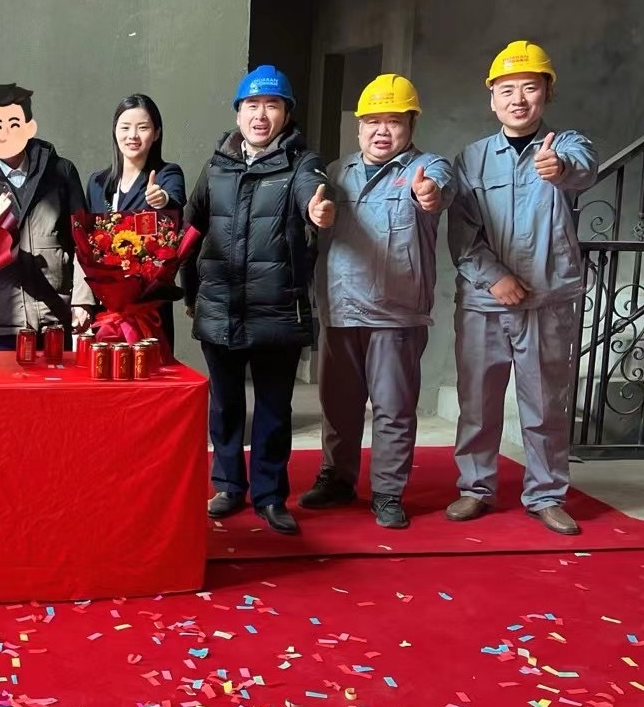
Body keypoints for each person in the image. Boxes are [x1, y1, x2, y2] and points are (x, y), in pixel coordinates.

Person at [446, 41, 597, 536]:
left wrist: (560, 169)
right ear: (492, 98)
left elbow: (582, 167)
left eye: (530, 88)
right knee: (478, 402)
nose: (518, 99)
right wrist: (496, 277)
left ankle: (547, 494)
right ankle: (475, 488)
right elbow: (462, 233)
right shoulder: (471, 159)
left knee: (545, 404)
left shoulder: (565, 145)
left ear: (547, 93)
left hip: (546, 300)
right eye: (507, 89)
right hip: (484, 301)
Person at [183, 65, 334, 535]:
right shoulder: (217, 166)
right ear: (239, 113)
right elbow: (191, 229)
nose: (261, 115)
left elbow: (313, 194)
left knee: (272, 409)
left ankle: (269, 495)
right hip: (219, 304)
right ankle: (229, 485)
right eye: (252, 105)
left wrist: (317, 209)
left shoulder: (302, 164)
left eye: (272, 105)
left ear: (287, 114)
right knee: (224, 405)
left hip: (277, 308)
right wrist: (190, 291)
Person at [299, 74, 454, 529]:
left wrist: (429, 195)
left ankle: (387, 492)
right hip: (340, 307)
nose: (382, 131)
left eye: (394, 121)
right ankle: (337, 478)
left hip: (396, 313)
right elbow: (314, 218)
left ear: (411, 126)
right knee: (338, 404)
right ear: (359, 126)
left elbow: (439, 191)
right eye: (372, 121)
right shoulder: (336, 172)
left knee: (393, 408)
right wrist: (314, 214)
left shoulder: (429, 167)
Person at [0, 83, 94, 351]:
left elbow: (83, 239)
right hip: (1, 316)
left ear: (28, 125)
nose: (5, 133)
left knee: (59, 380)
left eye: (13, 123)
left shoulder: (60, 172)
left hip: (54, 313)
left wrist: (83, 299)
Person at [86, 94, 187, 352]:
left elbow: (173, 202)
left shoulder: (167, 174)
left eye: (143, 128)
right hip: (107, 308)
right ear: (115, 131)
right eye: (125, 127)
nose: (133, 135)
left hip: (148, 306)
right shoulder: (97, 183)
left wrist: (161, 199)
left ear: (156, 133)